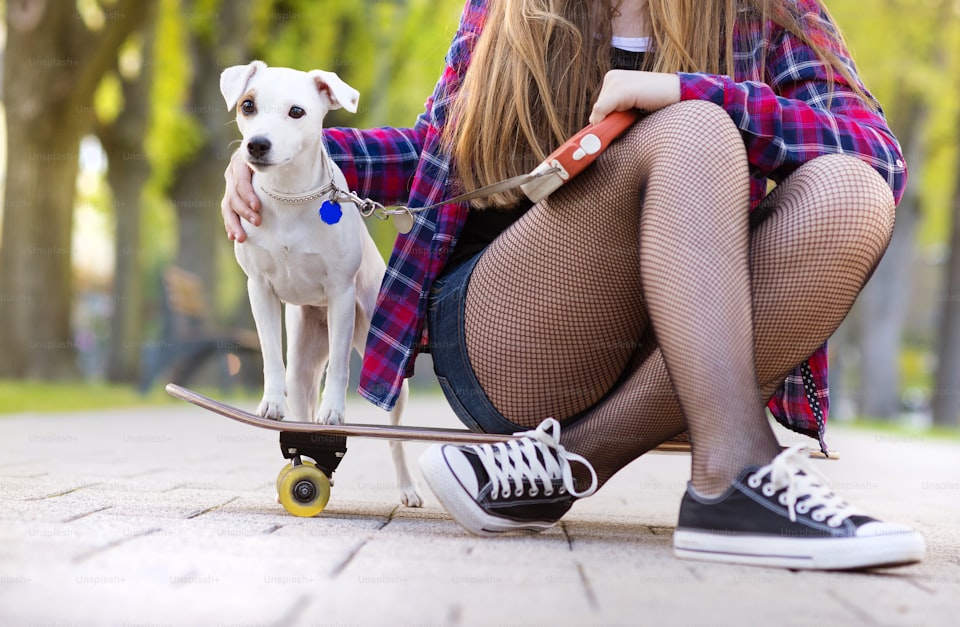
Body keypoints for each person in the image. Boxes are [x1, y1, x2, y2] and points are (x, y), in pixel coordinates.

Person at [222, 0, 925, 570]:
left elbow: (877, 154)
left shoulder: (761, 9)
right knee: (694, 132)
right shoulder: (514, 9)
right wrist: (285, 159)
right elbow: (435, 153)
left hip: (704, 344)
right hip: (523, 332)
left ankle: (580, 459)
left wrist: (690, 89)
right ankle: (739, 468)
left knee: (850, 193)